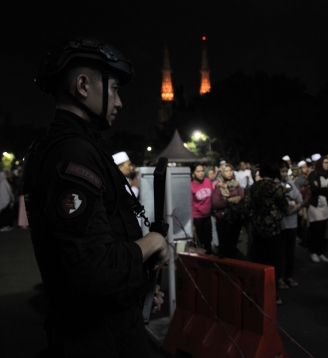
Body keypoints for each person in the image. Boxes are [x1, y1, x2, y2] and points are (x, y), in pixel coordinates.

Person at [24, 36, 169, 357]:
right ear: (83, 85)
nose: (120, 102)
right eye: (115, 88)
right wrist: (154, 242)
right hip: (100, 339)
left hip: (98, 325)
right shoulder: (74, 151)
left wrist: (135, 288)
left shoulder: (59, 145)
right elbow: (91, 267)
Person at [244, 161, 289, 304]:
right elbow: (285, 207)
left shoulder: (253, 187)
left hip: (258, 228)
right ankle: (272, 295)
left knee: (260, 262)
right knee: (274, 263)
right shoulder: (276, 187)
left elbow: (247, 207)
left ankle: (259, 294)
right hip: (275, 229)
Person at [277, 160, 303, 289]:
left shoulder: (290, 183)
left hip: (292, 223)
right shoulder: (274, 184)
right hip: (280, 224)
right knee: (279, 252)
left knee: (290, 252)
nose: (284, 174)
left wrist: (296, 207)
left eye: (286, 171)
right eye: (282, 171)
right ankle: (279, 278)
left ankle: (289, 276)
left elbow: (300, 199)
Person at [211, 164, 244, 258]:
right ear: (222, 173)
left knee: (233, 244)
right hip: (223, 219)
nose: (229, 173)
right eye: (226, 171)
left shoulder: (237, 184)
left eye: (231, 170)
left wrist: (238, 198)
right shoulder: (219, 186)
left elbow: (241, 196)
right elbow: (215, 204)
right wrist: (228, 200)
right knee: (224, 245)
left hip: (236, 218)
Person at [307, 155, 328, 263]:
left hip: (325, 206)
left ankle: (320, 252)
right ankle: (313, 252)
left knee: (322, 230)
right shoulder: (314, 174)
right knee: (316, 230)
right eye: (325, 162)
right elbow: (314, 189)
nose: (327, 164)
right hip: (315, 206)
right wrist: (324, 189)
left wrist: (320, 189)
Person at [191, 163, 214, 254]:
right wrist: (192, 223)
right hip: (197, 217)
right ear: (193, 173)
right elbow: (190, 204)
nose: (201, 173)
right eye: (198, 171)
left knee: (208, 240)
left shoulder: (208, 181)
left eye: (202, 171)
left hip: (208, 216)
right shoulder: (191, 186)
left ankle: (208, 261)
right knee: (199, 242)